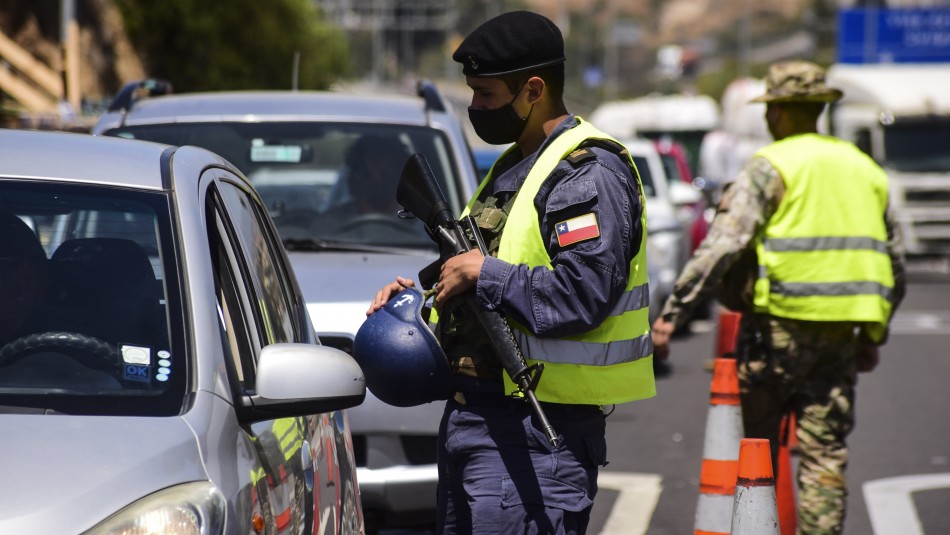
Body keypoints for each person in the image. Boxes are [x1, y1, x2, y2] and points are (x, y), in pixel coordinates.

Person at [367, 10, 655, 534]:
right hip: (474, 420)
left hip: (536, 433)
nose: (475, 107)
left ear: (534, 89)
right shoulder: (512, 166)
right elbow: (479, 267)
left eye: (487, 95)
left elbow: (584, 295)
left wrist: (485, 273)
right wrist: (422, 294)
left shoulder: (583, 172)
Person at [650, 60, 907, 535]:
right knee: (824, 455)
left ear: (781, 113)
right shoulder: (864, 169)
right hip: (841, 333)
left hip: (776, 331)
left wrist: (672, 313)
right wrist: (874, 332)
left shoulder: (772, 166)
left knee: (759, 452)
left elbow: (723, 245)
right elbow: (894, 264)